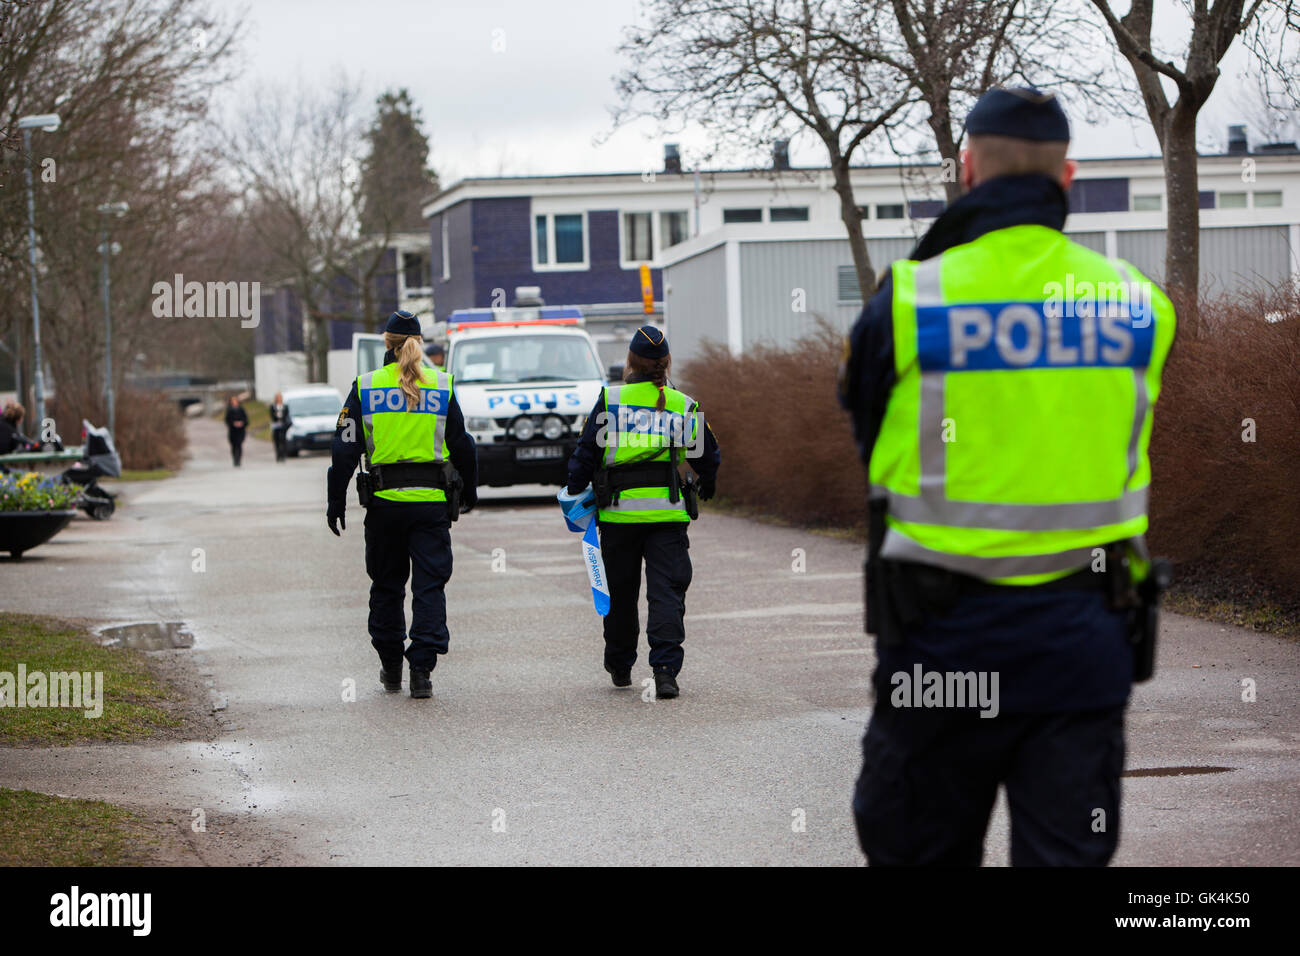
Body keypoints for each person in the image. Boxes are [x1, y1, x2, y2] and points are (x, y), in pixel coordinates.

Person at [840, 87, 1176, 866]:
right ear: (1068, 177)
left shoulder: (912, 299)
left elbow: (868, 433)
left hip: (940, 649)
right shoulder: (1137, 304)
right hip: (1083, 646)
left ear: (967, 171)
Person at [327, 310, 478, 699]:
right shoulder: (441, 385)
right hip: (430, 505)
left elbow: (344, 447)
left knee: (387, 585)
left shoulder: (365, 386)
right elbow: (463, 444)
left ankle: (392, 667)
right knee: (430, 586)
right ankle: (422, 671)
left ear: (386, 344)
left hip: (384, 505)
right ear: (419, 345)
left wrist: (335, 499)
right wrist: (471, 489)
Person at [566, 326, 721, 699]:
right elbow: (708, 456)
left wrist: (575, 488)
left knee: (620, 593)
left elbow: (584, 458)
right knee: (666, 592)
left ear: (630, 362)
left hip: (618, 519)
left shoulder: (610, 400)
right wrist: (708, 484)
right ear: (666, 364)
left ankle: (620, 665)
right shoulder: (685, 406)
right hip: (668, 519)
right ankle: (665, 672)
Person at [224, 396, 248, 467]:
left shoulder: (241, 410)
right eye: (233, 401)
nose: (234, 403)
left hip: (240, 431)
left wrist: (241, 423)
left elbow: (246, 420)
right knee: (234, 446)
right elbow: (227, 420)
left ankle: (239, 459)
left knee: (239, 445)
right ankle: (235, 459)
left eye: (235, 401)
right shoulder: (229, 410)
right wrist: (233, 423)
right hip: (233, 431)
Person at [268, 392, 292, 463]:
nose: (278, 399)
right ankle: (278, 455)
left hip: (283, 425)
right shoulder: (273, 406)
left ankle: (283, 455)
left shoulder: (285, 406)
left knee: (283, 441)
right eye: (277, 397)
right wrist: (277, 417)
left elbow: (286, 415)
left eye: (279, 397)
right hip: (276, 426)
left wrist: (281, 417)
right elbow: (272, 415)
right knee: (277, 441)